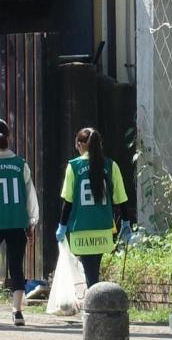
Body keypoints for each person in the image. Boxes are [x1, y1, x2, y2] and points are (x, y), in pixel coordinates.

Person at [56, 128, 131, 288]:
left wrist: (62, 225)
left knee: (90, 273)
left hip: (81, 229)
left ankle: (92, 300)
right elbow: (121, 198)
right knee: (92, 271)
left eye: (77, 145)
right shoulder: (111, 165)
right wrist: (126, 222)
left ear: (81, 145)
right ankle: (94, 296)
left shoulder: (73, 166)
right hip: (103, 230)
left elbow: (68, 201)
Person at [0, 119, 39, 326]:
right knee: (16, 266)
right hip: (17, 221)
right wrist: (31, 222)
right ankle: (17, 312)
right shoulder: (20, 164)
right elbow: (30, 196)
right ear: (9, 138)